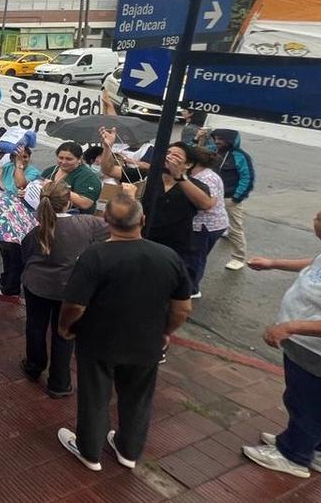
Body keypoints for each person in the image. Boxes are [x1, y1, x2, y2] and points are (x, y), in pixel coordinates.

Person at [56, 194, 193, 471]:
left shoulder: (95, 256)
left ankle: (89, 451)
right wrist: (166, 331)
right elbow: (183, 308)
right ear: (142, 220)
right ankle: (128, 450)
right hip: (146, 341)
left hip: (99, 340)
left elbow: (75, 305)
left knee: (95, 396)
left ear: (106, 220)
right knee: (138, 397)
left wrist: (65, 327)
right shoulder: (168, 257)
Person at [241, 211, 321, 478]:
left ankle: (294, 456)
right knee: (309, 401)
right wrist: (273, 263)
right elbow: (312, 264)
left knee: (305, 402)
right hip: (304, 346)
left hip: (314, 351)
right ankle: (314, 449)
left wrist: (290, 327)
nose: (316, 217)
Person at [21, 181, 108, 399]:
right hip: (69, 287)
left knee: (35, 326)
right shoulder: (87, 223)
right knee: (64, 332)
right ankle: (59, 382)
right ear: (68, 202)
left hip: (36, 284)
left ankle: (33, 366)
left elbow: (25, 253)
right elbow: (113, 229)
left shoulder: (32, 225)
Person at [141, 143, 214, 297]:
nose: (169, 157)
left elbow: (206, 204)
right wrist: (108, 147)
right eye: (167, 153)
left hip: (175, 247)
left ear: (188, 164)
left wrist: (179, 177)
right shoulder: (152, 176)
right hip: (145, 241)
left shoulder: (195, 185)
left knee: (162, 287)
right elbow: (110, 170)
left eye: (176, 156)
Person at [186, 146, 229, 299]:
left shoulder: (207, 178)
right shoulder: (200, 175)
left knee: (196, 257)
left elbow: (208, 203)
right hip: (207, 224)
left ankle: (192, 288)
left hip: (207, 225)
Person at [212, 129, 254, 271]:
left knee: (236, 228)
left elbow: (247, 177)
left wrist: (237, 197)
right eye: (216, 138)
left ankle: (238, 257)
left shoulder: (240, 156)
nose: (217, 141)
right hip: (211, 196)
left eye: (221, 139)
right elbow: (193, 153)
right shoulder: (213, 151)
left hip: (230, 198)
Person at [40, 142, 102, 214]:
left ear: (79, 159)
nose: (63, 162)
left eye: (69, 159)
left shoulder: (89, 177)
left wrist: (53, 187)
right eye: (60, 158)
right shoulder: (49, 171)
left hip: (76, 219)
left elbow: (85, 204)